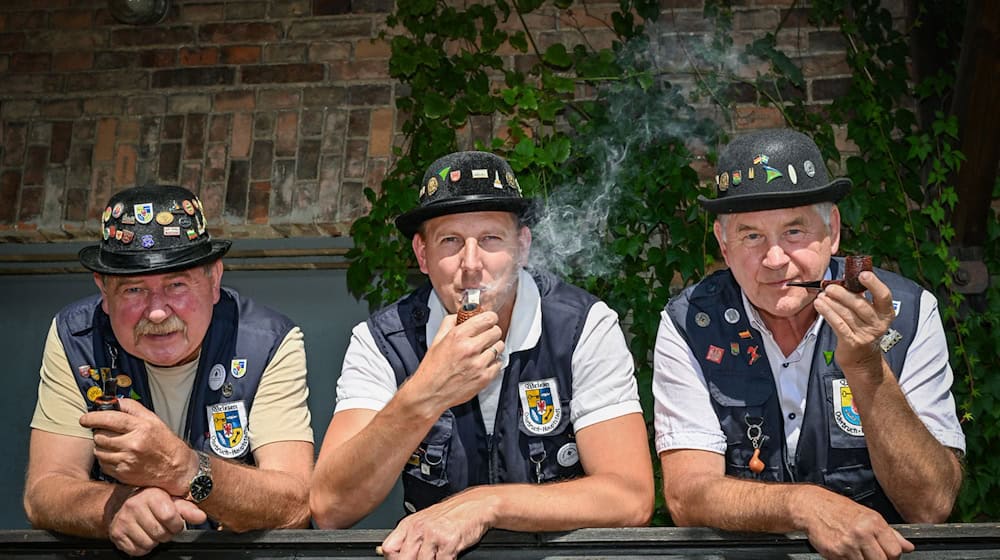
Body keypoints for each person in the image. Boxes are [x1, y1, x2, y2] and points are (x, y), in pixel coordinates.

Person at [311, 151, 653, 558]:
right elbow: (330, 507)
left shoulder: (582, 326)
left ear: (522, 247)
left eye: (491, 239)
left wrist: (486, 504)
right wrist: (426, 392)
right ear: (422, 255)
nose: (471, 264)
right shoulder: (382, 341)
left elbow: (630, 497)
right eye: (450, 241)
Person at [653, 129, 965, 559]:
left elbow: (931, 504)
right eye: (751, 236)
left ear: (832, 231)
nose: (775, 259)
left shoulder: (909, 312)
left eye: (795, 231)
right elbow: (688, 496)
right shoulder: (689, 322)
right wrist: (803, 505)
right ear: (724, 246)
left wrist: (866, 367)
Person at [23, 185, 314, 556]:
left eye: (176, 285)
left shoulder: (270, 341)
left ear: (214, 280)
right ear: (103, 290)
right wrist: (115, 508)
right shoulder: (74, 336)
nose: (157, 312)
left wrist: (186, 469)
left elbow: (294, 503)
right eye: (133, 290)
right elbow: (44, 492)